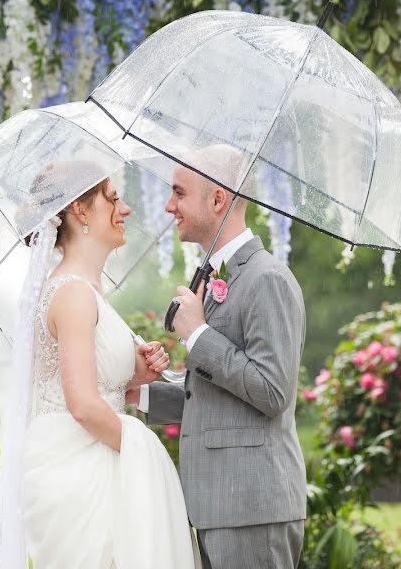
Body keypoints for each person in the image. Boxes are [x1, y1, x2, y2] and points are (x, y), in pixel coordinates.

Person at [0, 169, 196, 569]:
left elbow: (86, 382)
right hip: (81, 473)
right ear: (79, 210)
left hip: (90, 459)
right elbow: (84, 406)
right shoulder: (72, 295)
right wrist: (144, 449)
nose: (126, 209)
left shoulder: (85, 290)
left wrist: (134, 373)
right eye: (112, 198)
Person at [130, 145, 308, 568]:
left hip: (252, 509)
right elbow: (218, 397)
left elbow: (272, 390)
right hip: (215, 508)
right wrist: (139, 395)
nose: (169, 205)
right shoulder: (214, 278)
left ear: (217, 200)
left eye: (179, 193)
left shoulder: (267, 279)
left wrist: (198, 334)